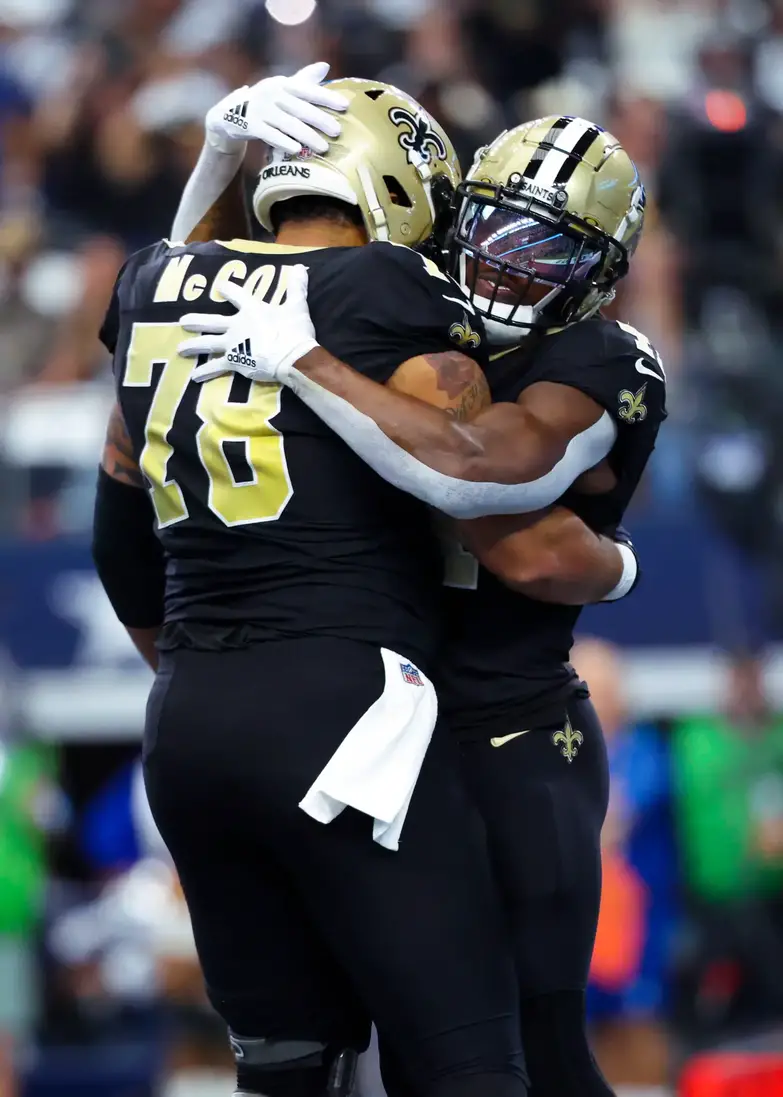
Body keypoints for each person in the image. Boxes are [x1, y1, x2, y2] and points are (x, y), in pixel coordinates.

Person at [179, 72, 666, 1097]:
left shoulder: (597, 353)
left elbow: (489, 487)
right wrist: (220, 157)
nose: (508, 265)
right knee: (391, 1042)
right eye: (494, 228)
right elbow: (190, 310)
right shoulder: (405, 298)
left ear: (603, 274)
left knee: (527, 1046)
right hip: (377, 728)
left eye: (551, 250)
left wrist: (318, 374)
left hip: (508, 730)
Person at [93, 77, 544, 1097]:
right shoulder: (387, 288)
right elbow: (475, 473)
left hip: (192, 721)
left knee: (287, 1066)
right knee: (471, 1052)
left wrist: (209, 674)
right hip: (346, 706)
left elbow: (117, 527)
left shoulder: (144, 280)